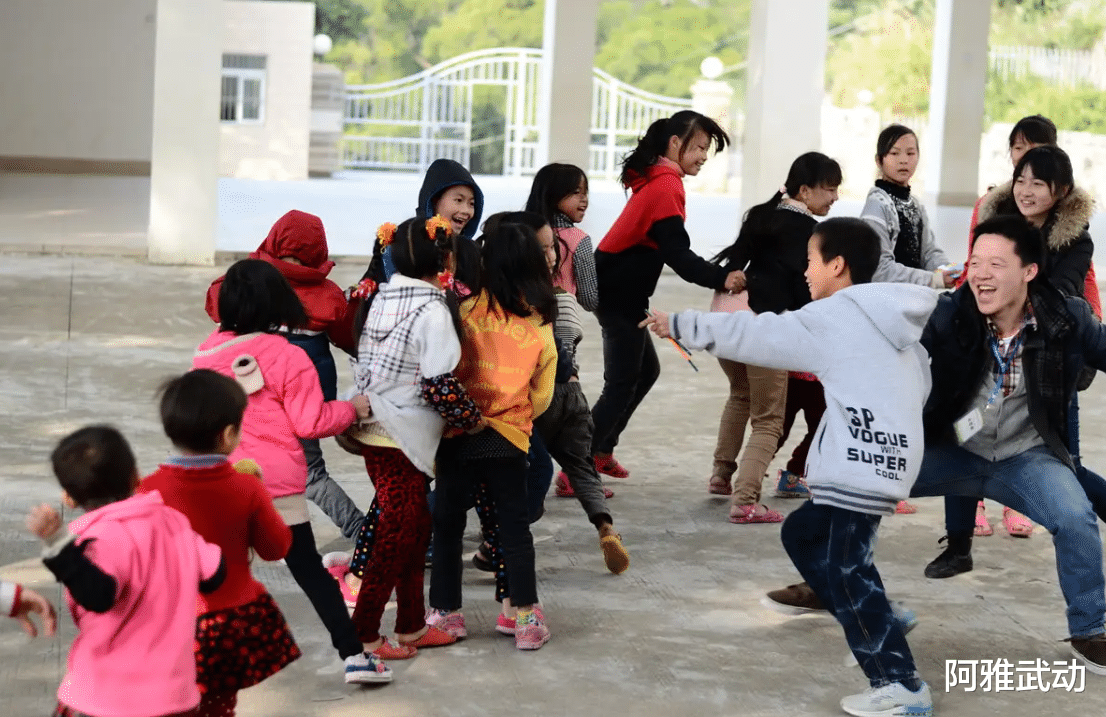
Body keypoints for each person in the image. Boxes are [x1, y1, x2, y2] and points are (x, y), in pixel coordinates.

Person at [767, 215, 1106, 678]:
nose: (980, 274)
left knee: (1075, 518)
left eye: (996, 263)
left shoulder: (1067, 319)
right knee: (853, 487)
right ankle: (828, 581)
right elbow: (885, 344)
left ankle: (1091, 631)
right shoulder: (948, 313)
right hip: (951, 449)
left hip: (1025, 457)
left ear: (1029, 271)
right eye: (975, 262)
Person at [642, 217, 937, 716]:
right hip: (885, 461)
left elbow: (759, 333)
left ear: (837, 266)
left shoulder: (836, 316)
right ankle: (879, 616)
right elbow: (923, 385)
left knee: (846, 571)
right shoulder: (896, 321)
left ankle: (901, 685)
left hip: (856, 467)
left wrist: (681, 325)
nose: (805, 272)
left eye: (811, 261)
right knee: (802, 533)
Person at [191, 259, 391, 685]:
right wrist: (350, 410)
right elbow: (310, 423)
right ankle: (355, 657)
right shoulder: (288, 355)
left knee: (216, 574)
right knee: (308, 570)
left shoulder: (205, 353)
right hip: (276, 484)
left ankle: (194, 659)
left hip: (221, 480)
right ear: (279, 303)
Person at [342, 216, 486, 660]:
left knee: (415, 527)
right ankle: (364, 632)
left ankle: (411, 626)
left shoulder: (383, 298)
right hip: (399, 435)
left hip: (374, 429)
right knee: (394, 533)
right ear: (444, 260)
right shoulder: (433, 311)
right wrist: (472, 418)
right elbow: (438, 383)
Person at [28, 425, 226, 717]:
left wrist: (59, 546)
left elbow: (98, 595)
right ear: (136, 475)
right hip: (174, 698)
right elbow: (214, 575)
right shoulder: (175, 523)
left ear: (68, 498)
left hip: (103, 700)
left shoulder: (100, 539)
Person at [428, 213, 557, 651]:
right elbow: (543, 392)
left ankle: (446, 614)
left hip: (456, 433)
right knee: (512, 528)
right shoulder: (540, 321)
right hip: (509, 436)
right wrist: (516, 415)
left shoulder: (462, 311)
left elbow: (442, 368)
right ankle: (524, 616)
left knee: (447, 525)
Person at [591, 110, 743, 479]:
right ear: (675, 143)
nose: (704, 156)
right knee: (622, 382)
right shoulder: (665, 186)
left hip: (623, 293)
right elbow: (679, 256)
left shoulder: (661, 179)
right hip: (617, 294)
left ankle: (600, 450)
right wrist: (723, 279)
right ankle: (580, 464)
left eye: (708, 149)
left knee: (645, 371)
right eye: (700, 147)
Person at [140, 370, 299, 716]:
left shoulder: (145, 490)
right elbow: (277, 548)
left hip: (165, 624)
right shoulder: (246, 486)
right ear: (228, 435)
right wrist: (264, 496)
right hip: (225, 625)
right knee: (218, 709)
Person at [205, 209, 366, 542]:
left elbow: (215, 305)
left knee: (237, 464)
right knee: (311, 474)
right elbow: (348, 336)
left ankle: (233, 536)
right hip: (306, 403)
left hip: (250, 398)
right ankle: (362, 532)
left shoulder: (245, 285)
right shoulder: (329, 296)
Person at [705, 151, 842, 523]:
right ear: (804, 190)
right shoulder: (810, 233)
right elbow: (803, 288)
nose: (834, 198)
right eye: (828, 189)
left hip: (727, 317)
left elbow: (737, 262)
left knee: (740, 396)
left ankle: (721, 475)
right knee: (769, 419)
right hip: (766, 326)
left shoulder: (761, 214)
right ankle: (745, 500)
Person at [957, 115, 1060, 538]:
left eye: (1034, 149)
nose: (1024, 158)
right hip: (988, 328)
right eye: (1018, 149)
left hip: (1039, 336)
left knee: (1029, 423)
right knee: (975, 415)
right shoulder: (993, 205)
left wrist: (1090, 319)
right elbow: (974, 263)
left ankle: (1017, 503)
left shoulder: (1069, 217)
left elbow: (1081, 277)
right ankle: (971, 502)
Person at [862, 123, 957, 515]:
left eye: (911, 152)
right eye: (896, 153)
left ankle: (891, 484)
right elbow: (878, 268)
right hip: (885, 316)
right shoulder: (877, 204)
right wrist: (933, 279)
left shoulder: (913, 203)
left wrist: (951, 271)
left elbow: (931, 251)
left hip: (911, 315)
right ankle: (880, 486)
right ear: (880, 159)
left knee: (908, 399)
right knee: (889, 403)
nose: (904, 160)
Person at [382, 158, 484, 282]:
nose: (466, 211)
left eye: (472, 203)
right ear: (434, 200)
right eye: (458, 200)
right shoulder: (403, 243)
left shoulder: (470, 252)